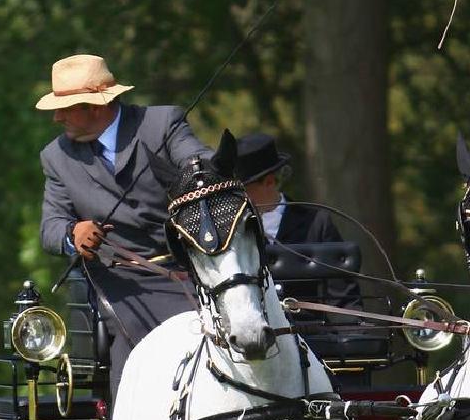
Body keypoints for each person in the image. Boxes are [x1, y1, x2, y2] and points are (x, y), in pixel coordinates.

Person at [36, 54, 208, 398]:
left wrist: (200, 172)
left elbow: (200, 163)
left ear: (95, 107)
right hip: (119, 281)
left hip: (188, 267)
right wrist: (73, 234)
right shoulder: (56, 156)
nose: (56, 118)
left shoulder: (163, 123)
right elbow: (50, 227)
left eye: (64, 108)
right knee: (133, 345)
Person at [235, 132, 363, 309]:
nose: (238, 197)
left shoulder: (316, 223)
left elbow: (343, 297)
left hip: (308, 325)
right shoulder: (233, 230)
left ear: (269, 182)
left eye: (243, 189)